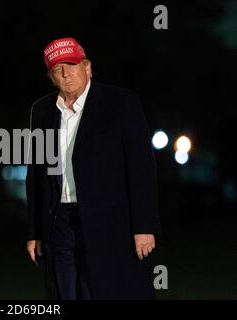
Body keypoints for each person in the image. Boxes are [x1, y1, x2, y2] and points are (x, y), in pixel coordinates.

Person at [26, 37, 162, 300]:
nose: (66, 74)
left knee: (102, 290)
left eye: (72, 65)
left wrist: (144, 226)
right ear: (51, 77)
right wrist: (35, 232)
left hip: (110, 221)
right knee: (64, 293)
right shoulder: (41, 111)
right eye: (57, 69)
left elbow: (141, 167)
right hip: (59, 223)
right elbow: (36, 175)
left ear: (87, 67)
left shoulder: (120, 103)